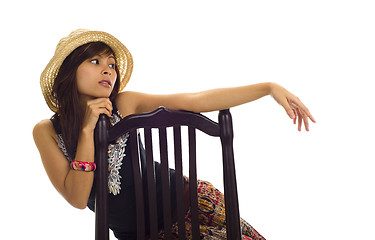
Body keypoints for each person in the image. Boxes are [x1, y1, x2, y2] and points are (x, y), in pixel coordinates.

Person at [33, 29, 315, 240]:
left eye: (112, 64)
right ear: (69, 71)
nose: (108, 69)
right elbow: (77, 198)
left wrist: (268, 88)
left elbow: (193, 101)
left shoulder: (124, 103)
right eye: (94, 61)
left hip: (194, 199)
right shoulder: (47, 131)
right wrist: (87, 130)